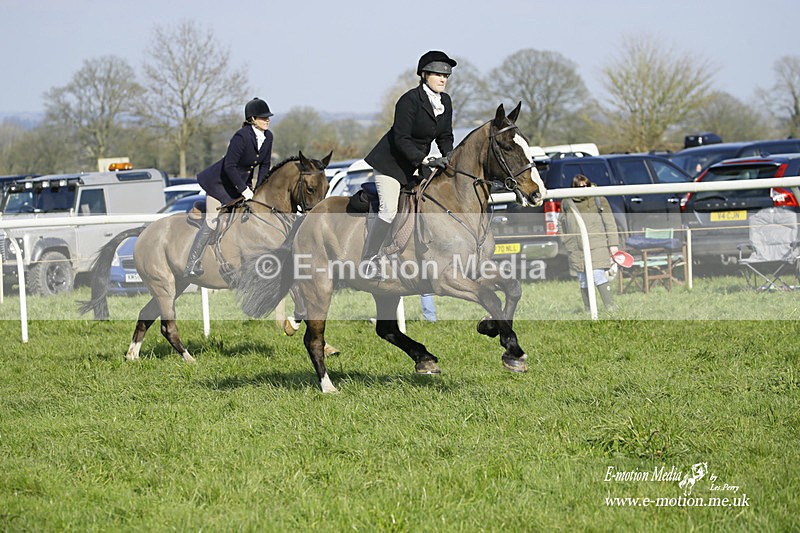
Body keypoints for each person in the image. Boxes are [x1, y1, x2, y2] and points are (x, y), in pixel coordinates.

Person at [362, 50, 457, 279]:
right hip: (391, 164)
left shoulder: (445, 101)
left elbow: (445, 136)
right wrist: (424, 159)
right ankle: (370, 259)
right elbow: (400, 138)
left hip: (417, 162)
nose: (443, 79)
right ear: (424, 75)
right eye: (438, 74)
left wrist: (451, 157)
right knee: (389, 210)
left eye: (446, 75)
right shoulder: (409, 100)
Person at [186, 97, 274, 276]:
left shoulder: (268, 137)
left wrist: (258, 190)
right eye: (263, 117)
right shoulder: (241, 137)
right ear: (252, 119)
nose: (267, 120)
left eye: (268, 117)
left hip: (242, 183)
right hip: (219, 183)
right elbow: (229, 166)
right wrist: (244, 190)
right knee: (212, 221)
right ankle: (192, 262)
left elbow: (264, 165)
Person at [558, 174, 620, 311]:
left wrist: (613, 245)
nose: (583, 189)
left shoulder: (599, 199)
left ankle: (611, 307)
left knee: (597, 275)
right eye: (579, 186)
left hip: (597, 245)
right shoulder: (567, 202)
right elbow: (560, 223)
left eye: (585, 186)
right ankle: (588, 310)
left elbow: (610, 223)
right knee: (583, 279)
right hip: (575, 248)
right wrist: (565, 240)